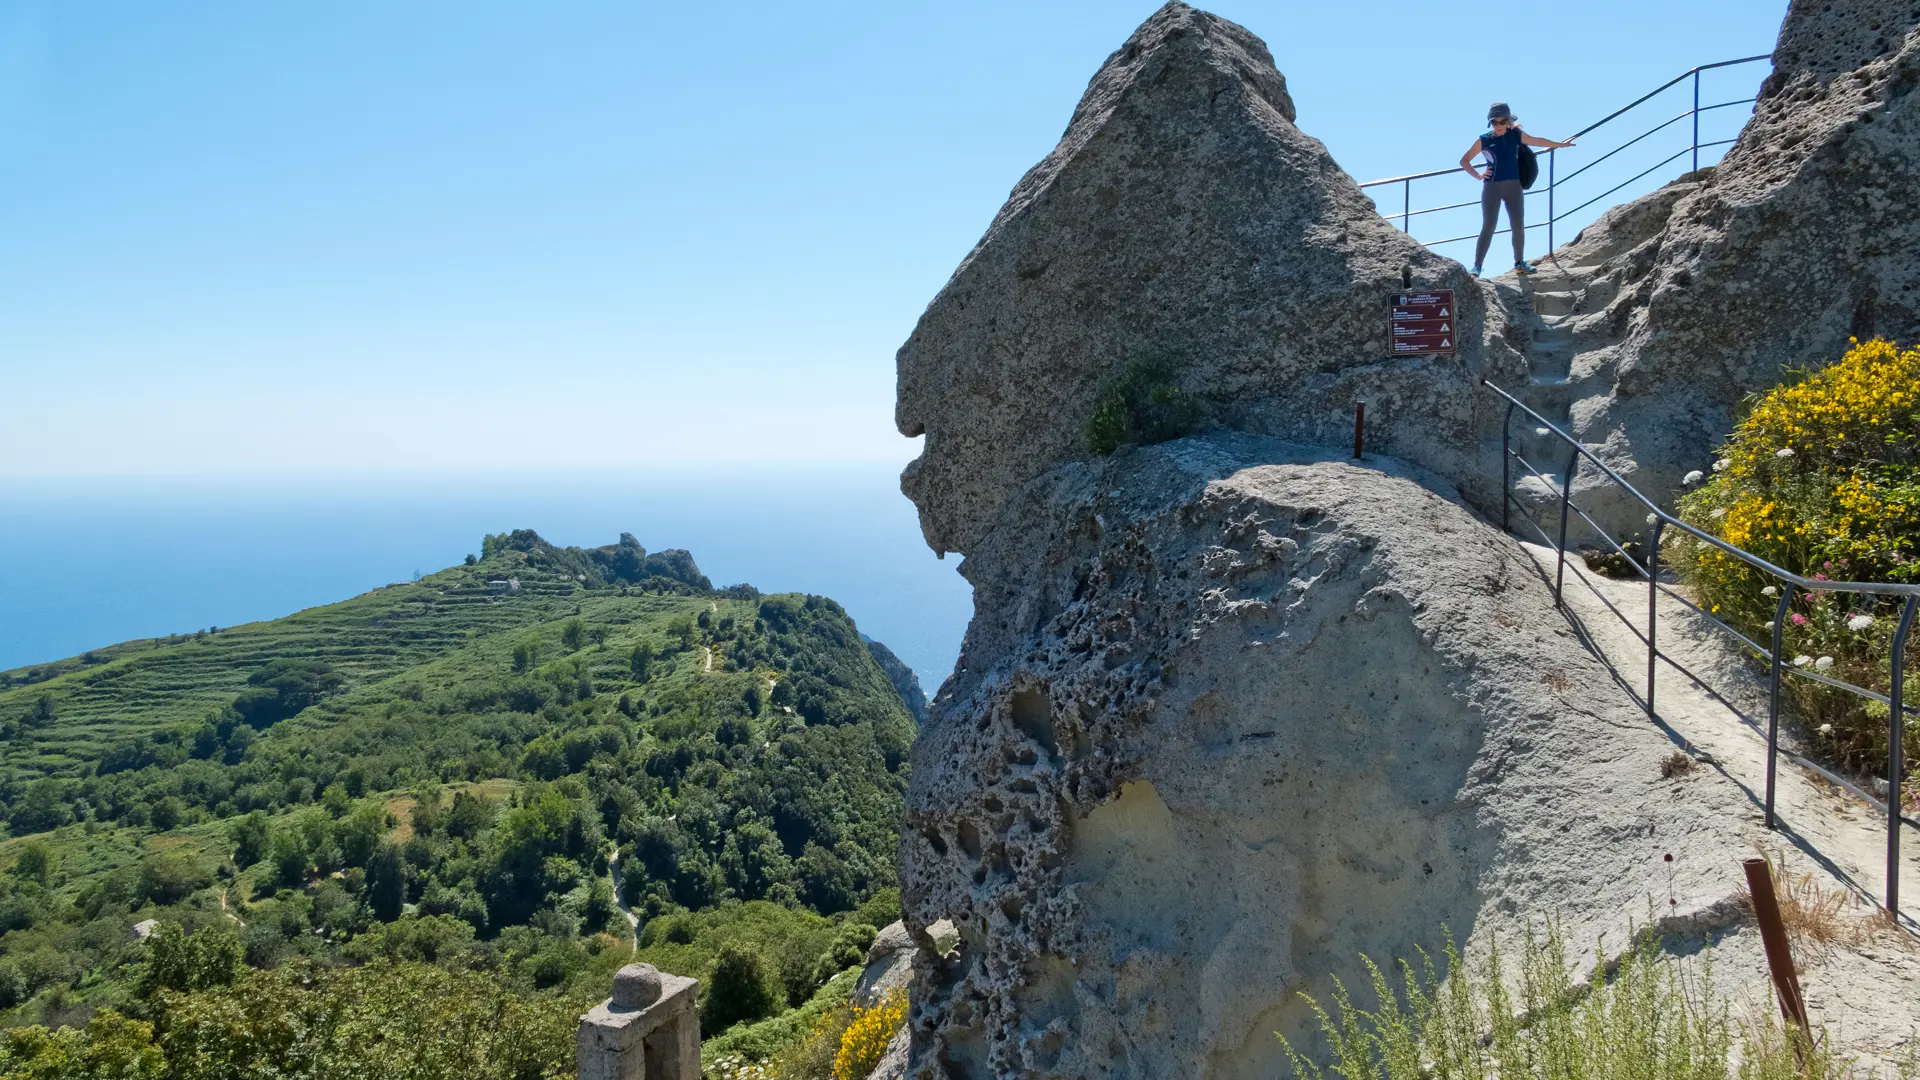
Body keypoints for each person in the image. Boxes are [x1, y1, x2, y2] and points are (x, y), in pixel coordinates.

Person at [1459, 102, 1573, 277]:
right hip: (1492, 187)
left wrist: (1561, 144)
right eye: (1495, 122)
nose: (1499, 125)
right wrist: (1478, 175)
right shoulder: (1484, 139)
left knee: (1518, 225)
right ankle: (1477, 266)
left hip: (1514, 186)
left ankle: (1519, 262)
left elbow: (1537, 140)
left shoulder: (1515, 135)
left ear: (1508, 121)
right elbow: (1464, 160)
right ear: (1490, 123)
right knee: (1489, 226)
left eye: (1502, 121)